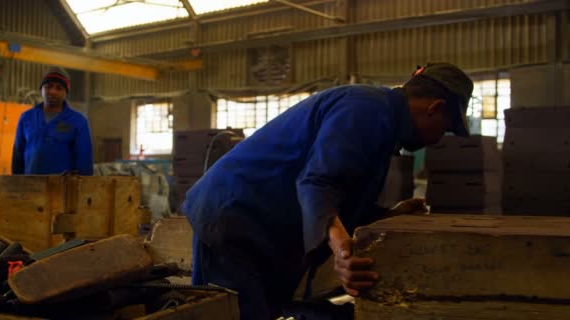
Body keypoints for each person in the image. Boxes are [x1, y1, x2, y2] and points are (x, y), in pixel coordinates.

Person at [182, 63, 474, 319]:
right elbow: (317, 184)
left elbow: (338, 198)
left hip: (257, 222)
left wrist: (386, 216)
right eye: (444, 129)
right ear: (435, 108)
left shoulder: (382, 124)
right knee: (235, 313)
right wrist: (343, 252)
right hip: (232, 216)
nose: (438, 139)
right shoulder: (366, 109)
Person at [12, 67, 93, 175]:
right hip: (30, 188)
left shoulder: (78, 122)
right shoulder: (26, 118)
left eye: (59, 88)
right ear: (41, 89)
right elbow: (17, 157)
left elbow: (84, 162)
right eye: (48, 86)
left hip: (63, 189)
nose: (53, 91)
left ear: (66, 93)